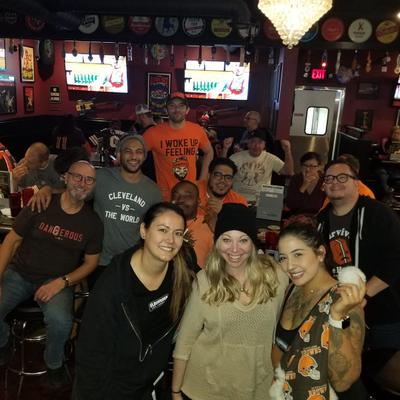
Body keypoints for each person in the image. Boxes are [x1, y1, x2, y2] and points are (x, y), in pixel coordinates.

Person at [73, 202, 196, 400]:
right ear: (143, 231)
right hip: (111, 387)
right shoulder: (114, 284)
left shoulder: (181, 271)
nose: (171, 240)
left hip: (150, 384)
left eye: (178, 233)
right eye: (163, 230)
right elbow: (91, 354)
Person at [0, 161, 103, 387]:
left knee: (61, 322)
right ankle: (3, 340)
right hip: (19, 272)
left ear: (94, 186)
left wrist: (62, 282)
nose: (82, 183)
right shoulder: (41, 203)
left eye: (89, 180)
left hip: (56, 279)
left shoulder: (93, 223)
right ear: (65, 178)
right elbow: (12, 240)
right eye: (77, 177)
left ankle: (54, 363)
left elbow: (91, 263)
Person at [172, 203, 288, 400]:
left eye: (243, 240)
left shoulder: (277, 277)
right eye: (226, 240)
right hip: (207, 387)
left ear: (253, 243)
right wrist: (175, 392)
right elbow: (185, 341)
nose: (235, 249)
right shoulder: (205, 281)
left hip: (260, 386)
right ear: (217, 242)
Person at [30, 135, 162, 285]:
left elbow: (155, 229)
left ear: (144, 156)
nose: (133, 156)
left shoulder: (153, 191)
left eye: (139, 151)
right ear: (119, 154)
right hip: (99, 260)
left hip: (132, 262)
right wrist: (47, 189)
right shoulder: (102, 177)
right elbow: (76, 192)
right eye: (128, 151)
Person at [317, 159, 400, 393]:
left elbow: (395, 260)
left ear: (357, 183)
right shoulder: (322, 221)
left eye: (342, 177)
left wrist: (364, 296)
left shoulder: (377, 213)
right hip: (344, 316)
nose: (335, 182)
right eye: (329, 178)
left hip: (383, 315)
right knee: (350, 382)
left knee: (386, 383)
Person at [273, 220, 366, 399]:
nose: (289, 266)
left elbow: (343, 381)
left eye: (298, 254)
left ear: (320, 253)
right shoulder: (292, 289)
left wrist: (338, 317)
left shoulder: (345, 300)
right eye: (283, 257)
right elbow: (279, 349)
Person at [143, 92, 214, 200]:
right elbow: (135, 152)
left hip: (190, 194)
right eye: (172, 106)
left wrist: (203, 179)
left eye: (181, 106)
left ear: (187, 110)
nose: (177, 110)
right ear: (166, 110)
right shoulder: (153, 133)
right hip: (165, 196)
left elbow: (209, 152)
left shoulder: (197, 130)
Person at [230, 131, 294, 204]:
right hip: (237, 201)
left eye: (260, 142)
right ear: (248, 144)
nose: (256, 145)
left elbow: (288, 171)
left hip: (261, 203)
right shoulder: (236, 157)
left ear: (264, 145)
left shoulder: (270, 158)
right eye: (253, 141)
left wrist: (287, 151)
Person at [196, 157, 247, 232]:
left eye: (228, 177)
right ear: (209, 175)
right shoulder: (192, 192)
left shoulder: (239, 202)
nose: (222, 181)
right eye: (218, 175)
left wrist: (223, 213)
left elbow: (241, 233)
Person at [171, 180, 213, 268]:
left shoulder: (209, 225)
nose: (180, 200)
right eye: (175, 195)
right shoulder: (162, 223)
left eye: (187, 195)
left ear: (199, 200)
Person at [374, 125, 400, 205]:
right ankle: (389, 196)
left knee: (397, 179)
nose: (397, 135)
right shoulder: (385, 141)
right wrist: (388, 155)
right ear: (391, 134)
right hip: (382, 166)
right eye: (395, 133)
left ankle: (388, 198)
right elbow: (380, 155)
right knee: (383, 176)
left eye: (399, 134)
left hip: (395, 167)